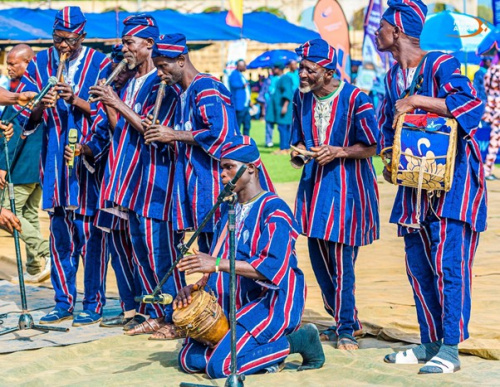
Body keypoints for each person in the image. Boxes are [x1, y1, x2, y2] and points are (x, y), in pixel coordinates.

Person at [376, 0, 487, 374]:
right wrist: (387, 157)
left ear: (397, 29)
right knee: (419, 266)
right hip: (414, 189)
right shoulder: (391, 78)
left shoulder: (440, 63)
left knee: (449, 266)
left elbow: (471, 105)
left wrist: (417, 100)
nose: (376, 31)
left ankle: (451, 350)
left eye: (381, 26)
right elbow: (384, 124)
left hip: (453, 187)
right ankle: (429, 343)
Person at [174, 136, 324, 378]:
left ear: (251, 169)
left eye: (229, 167)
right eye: (220, 167)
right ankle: (258, 355)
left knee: (220, 368)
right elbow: (219, 262)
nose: (222, 174)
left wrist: (215, 264)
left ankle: (299, 341)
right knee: (189, 360)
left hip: (270, 304)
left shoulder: (275, 211)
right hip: (232, 303)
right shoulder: (228, 209)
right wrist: (196, 287)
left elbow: (271, 269)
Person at [14, 6, 112, 326]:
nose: (63, 47)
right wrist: (41, 104)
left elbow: (108, 113)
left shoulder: (101, 64)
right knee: (59, 236)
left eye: (69, 40)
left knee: (89, 237)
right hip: (54, 162)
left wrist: (75, 99)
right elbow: (25, 118)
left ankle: (93, 301)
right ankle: (62, 300)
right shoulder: (41, 62)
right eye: (57, 39)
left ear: (82, 36)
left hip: (87, 163)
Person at [88, 16, 184, 339]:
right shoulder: (129, 84)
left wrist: (115, 102)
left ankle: (175, 317)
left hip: (153, 180)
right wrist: (110, 104)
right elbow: (123, 131)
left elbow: (152, 130)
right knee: (140, 250)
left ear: (149, 45)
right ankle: (156, 313)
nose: (125, 48)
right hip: (127, 180)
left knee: (161, 251)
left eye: (130, 42)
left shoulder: (162, 84)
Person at [290, 39, 380, 350]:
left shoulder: (357, 99)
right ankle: (344, 317)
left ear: (329, 72)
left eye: (309, 70)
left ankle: (345, 328)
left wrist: (338, 151)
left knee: (342, 260)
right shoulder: (300, 100)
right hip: (314, 189)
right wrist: (300, 154)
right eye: (301, 68)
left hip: (348, 189)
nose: (301, 74)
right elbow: (297, 144)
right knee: (318, 257)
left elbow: (373, 146)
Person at [68, 44, 144, 330]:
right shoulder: (110, 98)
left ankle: (150, 310)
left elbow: (121, 130)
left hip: (138, 183)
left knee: (142, 249)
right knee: (119, 247)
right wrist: (82, 151)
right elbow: (101, 136)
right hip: (111, 184)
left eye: (120, 69)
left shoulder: (142, 92)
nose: (115, 74)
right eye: (112, 69)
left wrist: (112, 103)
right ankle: (129, 309)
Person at [144, 33, 240, 256]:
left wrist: (173, 134)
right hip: (198, 185)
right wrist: (160, 134)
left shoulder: (206, 86)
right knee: (208, 251)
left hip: (216, 183)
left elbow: (222, 134)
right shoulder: (181, 94)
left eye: (163, 66)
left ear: (181, 60)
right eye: (157, 67)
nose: (159, 73)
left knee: (222, 254)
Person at [0, 44, 50, 283]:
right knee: (28, 214)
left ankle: (46, 252)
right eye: (7, 64)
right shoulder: (30, 89)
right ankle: (34, 267)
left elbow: (17, 135)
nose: (9, 68)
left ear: (29, 62)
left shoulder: (29, 92)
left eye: (13, 63)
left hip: (20, 165)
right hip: (35, 166)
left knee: (7, 215)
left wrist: (2, 166)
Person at [265, 64, 293, 154]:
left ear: (278, 69)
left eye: (274, 68)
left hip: (283, 108)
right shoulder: (279, 79)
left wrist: (285, 106)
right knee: (283, 128)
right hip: (279, 108)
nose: (273, 70)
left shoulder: (285, 78)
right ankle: (284, 148)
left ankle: (284, 148)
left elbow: (288, 93)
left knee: (283, 128)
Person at [482, 53, 500, 180]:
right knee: (495, 140)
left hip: (490, 107)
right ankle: (487, 169)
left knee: (494, 138)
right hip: (498, 108)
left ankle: (487, 169)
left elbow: (486, 89)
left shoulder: (490, 70)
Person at [229, 59, 251, 136]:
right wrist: (242, 85)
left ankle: (246, 141)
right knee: (238, 125)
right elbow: (233, 84)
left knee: (247, 125)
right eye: (244, 65)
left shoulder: (241, 75)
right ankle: (237, 142)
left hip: (245, 105)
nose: (245, 67)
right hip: (239, 105)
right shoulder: (234, 74)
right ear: (239, 66)